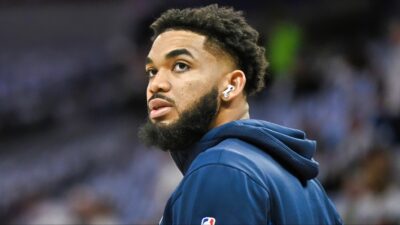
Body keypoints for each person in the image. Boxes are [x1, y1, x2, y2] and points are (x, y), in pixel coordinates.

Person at [138, 4, 343, 225]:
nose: (156, 84)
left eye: (180, 65)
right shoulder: (305, 185)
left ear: (231, 86)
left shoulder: (220, 169)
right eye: (152, 71)